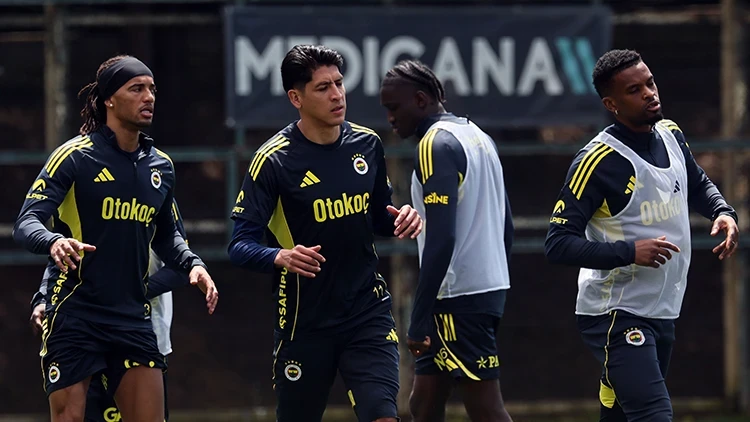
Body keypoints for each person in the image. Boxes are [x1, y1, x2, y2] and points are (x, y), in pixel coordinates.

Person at [13, 54, 219, 422]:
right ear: (109, 98)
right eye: (136, 89)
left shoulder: (161, 167)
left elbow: (168, 237)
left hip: (132, 316)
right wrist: (53, 241)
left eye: (152, 89)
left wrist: (193, 264)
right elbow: (27, 222)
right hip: (76, 313)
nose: (148, 97)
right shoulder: (74, 157)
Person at [228, 44, 422, 422]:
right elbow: (239, 244)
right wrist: (279, 255)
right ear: (296, 98)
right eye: (323, 87)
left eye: (339, 83)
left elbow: (379, 218)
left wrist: (403, 219)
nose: (337, 95)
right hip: (304, 322)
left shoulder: (367, 144)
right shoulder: (274, 161)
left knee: (383, 416)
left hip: (366, 312)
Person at [545, 49, 739, 421]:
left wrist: (722, 211)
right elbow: (557, 243)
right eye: (634, 90)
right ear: (611, 104)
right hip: (616, 312)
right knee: (653, 414)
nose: (649, 93)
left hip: (661, 309)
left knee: (622, 414)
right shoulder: (597, 161)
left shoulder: (671, 134)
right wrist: (630, 251)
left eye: (649, 83)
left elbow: (696, 181)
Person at [379, 59, 514, 422]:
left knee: (486, 408)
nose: (390, 118)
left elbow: (441, 239)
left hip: (457, 297)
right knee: (423, 402)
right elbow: (507, 226)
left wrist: (419, 316)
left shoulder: (434, 145)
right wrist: (495, 281)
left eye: (394, 108)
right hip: (484, 289)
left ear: (421, 100)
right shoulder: (479, 137)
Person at [29, 200, 192, 422]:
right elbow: (62, 256)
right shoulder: (85, 189)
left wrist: (130, 292)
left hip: (142, 336)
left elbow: (180, 265)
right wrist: (42, 298)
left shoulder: (156, 187)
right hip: (84, 332)